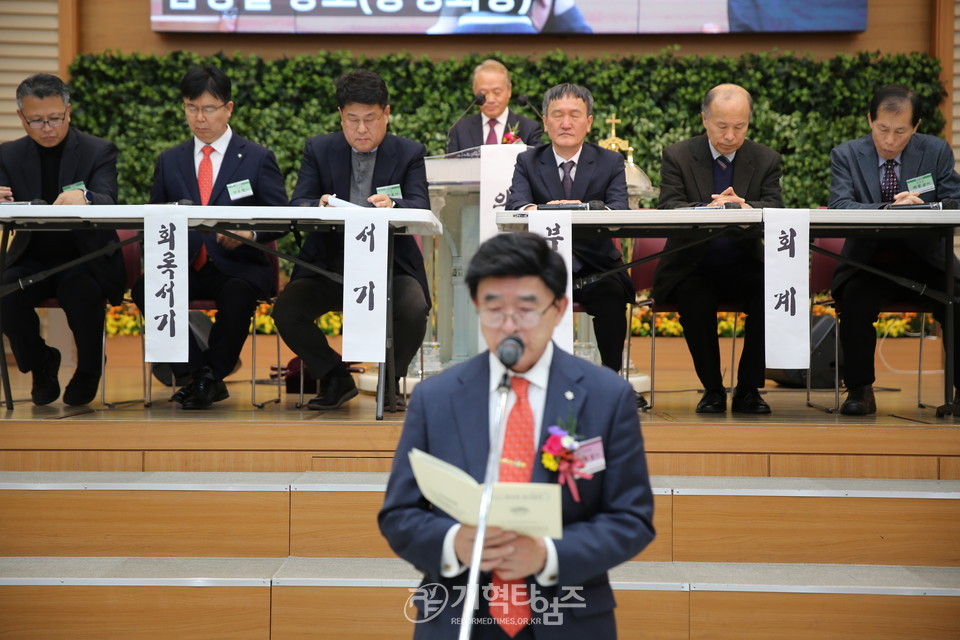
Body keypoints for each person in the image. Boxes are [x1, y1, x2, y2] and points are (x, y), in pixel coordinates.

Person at [379, 231, 655, 638]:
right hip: (459, 612)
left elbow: (631, 519)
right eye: (494, 309)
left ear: (558, 309)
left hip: (569, 614)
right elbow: (399, 514)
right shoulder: (435, 398)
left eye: (526, 309)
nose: (509, 326)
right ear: (476, 306)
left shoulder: (606, 397)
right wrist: (453, 543)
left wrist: (548, 554)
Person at [273, 69, 430, 410]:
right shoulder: (319, 149)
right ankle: (334, 377)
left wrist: (395, 204)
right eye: (352, 120)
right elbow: (298, 202)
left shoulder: (409, 153)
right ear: (341, 116)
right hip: (331, 265)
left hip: (390, 266)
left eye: (371, 119)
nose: (361, 130)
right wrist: (318, 204)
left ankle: (391, 381)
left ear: (387, 114)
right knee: (287, 311)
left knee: (414, 307)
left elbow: (420, 205)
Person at [134, 64, 288, 410]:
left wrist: (250, 232)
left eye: (208, 108)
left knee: (236, 294)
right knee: (146, 288)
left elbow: (282, 218)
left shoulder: (257, 158)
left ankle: (208, 376)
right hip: (184, 264)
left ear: (228, 108)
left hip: (238, 267)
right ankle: (200, 375)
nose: (199, 118)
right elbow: (154, 219)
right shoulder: (169, 161)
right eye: (191, 107)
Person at [829, 84, 960, 415]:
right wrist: (887, 210)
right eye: (882, 129)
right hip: (868, 261)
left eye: (900, 131)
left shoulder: (935, 151)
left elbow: (955, 202)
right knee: (855, 301)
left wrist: (924, 209)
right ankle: (859, 391)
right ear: (869, 120)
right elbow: (840, 206)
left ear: (915, 127)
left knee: (957, 299)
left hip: (925, 258)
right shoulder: (846, 155)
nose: (889, 140)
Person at [653, 83, 782, 414]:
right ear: (705, 120)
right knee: (695, 299)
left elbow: (775, 209)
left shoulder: (766, 158)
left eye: (739, 126)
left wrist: (746, 209)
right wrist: (708, 210)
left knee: (770, 294)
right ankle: (712, 389)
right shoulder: (678, 155)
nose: (730, 135)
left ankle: (749, 390)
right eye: (722, 126)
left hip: (744, 262)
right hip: (691, 265)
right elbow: (668, 208)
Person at [0, 73, 124, 406]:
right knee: (5, 294)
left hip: (84, 257)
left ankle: (88, 370)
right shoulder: (7, 156)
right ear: (21, 118)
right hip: (32, 256)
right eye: (37, 120)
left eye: (55, 118)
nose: (48, 127)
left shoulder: (98, 150)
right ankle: (41, 361)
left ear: (69, 111)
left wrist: (86, 197)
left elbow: (109, 198)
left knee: (80, 292)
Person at [505, 83, 634, 377]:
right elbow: (517, 205)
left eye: (575, 115)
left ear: (588, 122)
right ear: (545, 122)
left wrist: (582, 208)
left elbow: (619, 211)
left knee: (612, 295)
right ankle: (532, 377)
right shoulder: (527, 160)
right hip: (544, 265)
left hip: (595, 265)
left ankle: (611, 379)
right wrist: (548, 210)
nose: (565, 123)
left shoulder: (610, 161)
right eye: (557, 115)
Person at [446, 59, 543, 154]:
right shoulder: (460, 129)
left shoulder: (529, 128)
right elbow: (451, 167)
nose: (491, 99)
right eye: (483, 93)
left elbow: (537, 166)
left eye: (497, 92)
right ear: (475, 91)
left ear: (509, 90)